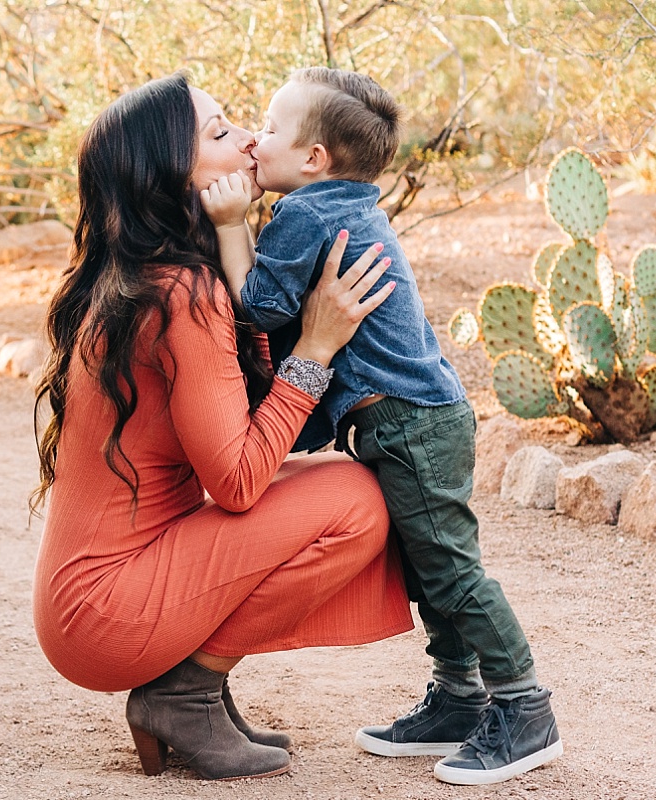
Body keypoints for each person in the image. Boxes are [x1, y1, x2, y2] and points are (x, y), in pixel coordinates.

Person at [30, 73, 415, 783]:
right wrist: (317, 349)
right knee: (357, 502)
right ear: (169, 178)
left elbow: (242, 429)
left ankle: (190, 690)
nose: (247, 140)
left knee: (336, 482)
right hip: (107, 612)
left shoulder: (146, 275)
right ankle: (186, 691)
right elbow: (237, 482)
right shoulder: (180, 292)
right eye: (217, 134)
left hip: (90, 600)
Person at [200, 67, 562, 786]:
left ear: (314, 160)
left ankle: (525, 710)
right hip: (422, 417)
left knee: (453, 574)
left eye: (269, 129)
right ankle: (461, 698)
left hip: (408, 422)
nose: (255, 139)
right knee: (431, 571)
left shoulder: (305, 213)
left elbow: (262, 306)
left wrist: (230, 226)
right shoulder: (349, 201)